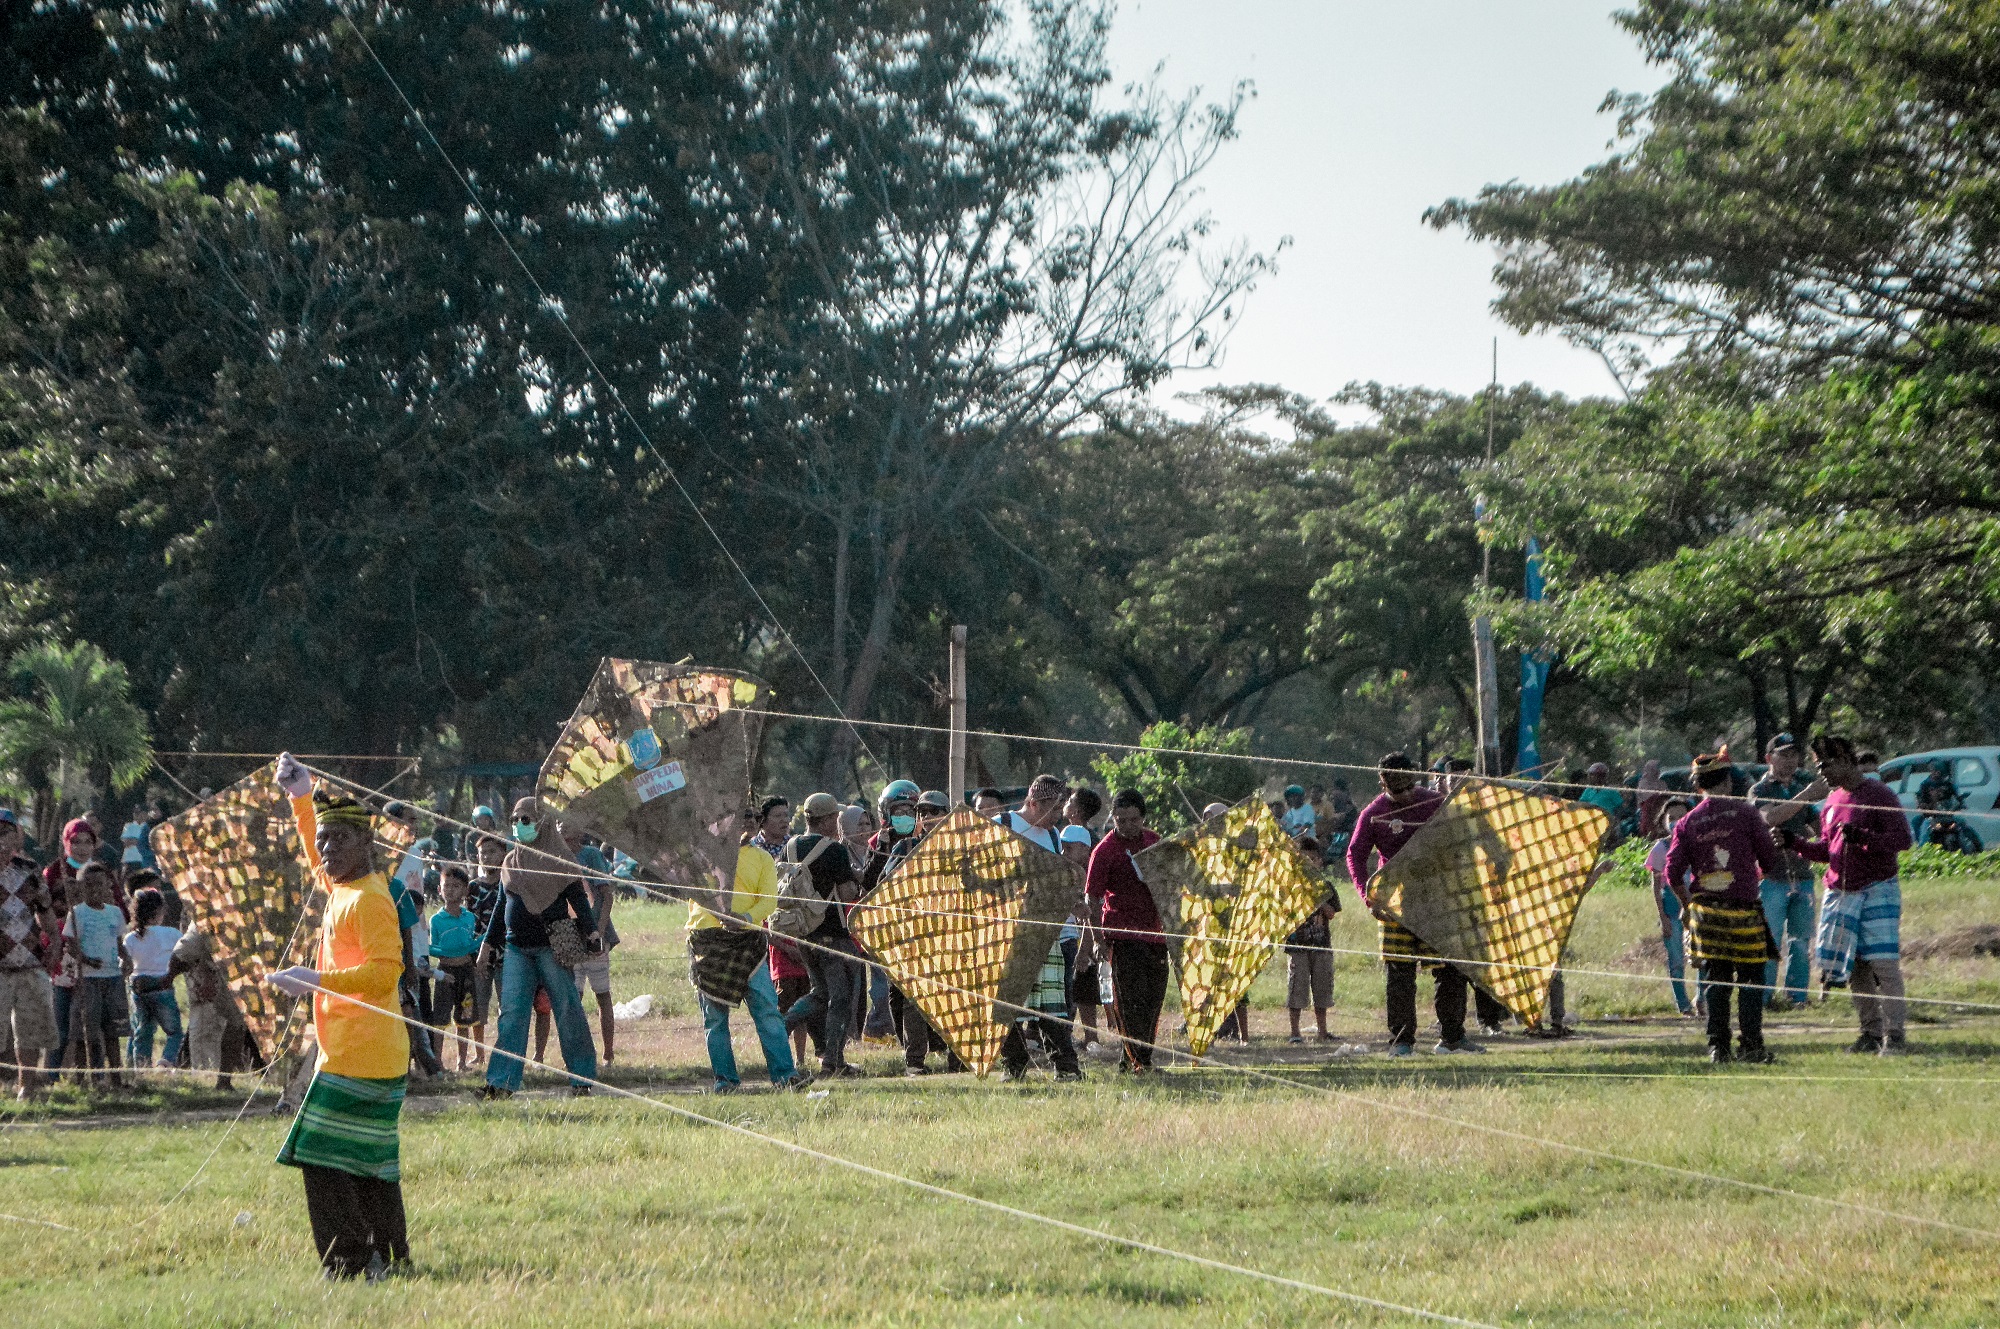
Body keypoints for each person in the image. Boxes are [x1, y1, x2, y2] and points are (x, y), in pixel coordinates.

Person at [267, 754, 413, 1281]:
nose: (326, 851)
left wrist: (316, 980)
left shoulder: (370, 899)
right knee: (367, 1162)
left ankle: (351, 1262)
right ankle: (391, 1257)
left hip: (364, 1054)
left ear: (366, 845)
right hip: (354, 1051)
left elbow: (385, 973)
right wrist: (301, 797)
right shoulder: (342, 889)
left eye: (338, 841)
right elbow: (314, 850)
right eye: (324, 841)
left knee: (320, 1157)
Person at [1347, 752, 1483, 1057]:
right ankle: (1402, 1042)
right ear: (1383, 781)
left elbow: (1462, 840)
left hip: (1438, 898)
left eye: (1409, 786)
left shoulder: (1436, 803)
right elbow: (1354, 855)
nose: (1406, 794)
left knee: (1450, 969)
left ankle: (1452, 1038)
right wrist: (1367, 895)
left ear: (1415, 777)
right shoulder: (1373, 813)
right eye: (1398, 788)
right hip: (1395, 903)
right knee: (1400, 974)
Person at [477, 797, 603, 1099]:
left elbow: (578, 898)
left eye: (526, 819)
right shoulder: (510, 862)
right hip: (516, 948)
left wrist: (592, 931)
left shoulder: (560, 859)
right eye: (515, 819)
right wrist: (487, 944)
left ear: (542, 822)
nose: (520, 826)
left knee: (567, 1008)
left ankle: (582, 1078)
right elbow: (500, 905)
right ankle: (500, 1083)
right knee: (512, 1015)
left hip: (552, 946)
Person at [1665, 748, 1783, 1064]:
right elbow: (1770, 861)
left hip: (1707, 912)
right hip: (1744, 908)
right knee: (1751, 979)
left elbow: (1672, 873)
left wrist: (1687, 904)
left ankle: (1719, 1047)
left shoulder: (1687, 822)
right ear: (1728, 780)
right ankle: (1752, 1047)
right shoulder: (1746, 814)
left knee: (1716, 980)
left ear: (1698, 786)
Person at [1801, 735, 1916, 1055]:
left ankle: (1895, 1035)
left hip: (1878, 888)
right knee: (1855, 967)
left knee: (1883, 964)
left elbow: (1903, 840)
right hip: (1842, 890)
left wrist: (1864, 837)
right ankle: (1869, 1033)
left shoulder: (1879, 794)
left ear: (1847, 761)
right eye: (1819, 766)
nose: (1822, 772)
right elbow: (1827, 850)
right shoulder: (1832, 802)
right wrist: (1794, 844)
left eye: (1828, 765)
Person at [688, 831, 810, 1095]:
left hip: (748, 940)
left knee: (767, 1010)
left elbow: (768, 900)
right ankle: (725, 1081)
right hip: (707, 940)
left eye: (752, 819)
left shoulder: (762, 858)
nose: (746, 824)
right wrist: (719, 914)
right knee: (715, 1018)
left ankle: (785, 1076)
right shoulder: (700, 855)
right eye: (741, 818)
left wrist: (744, 917)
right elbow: (694, 890)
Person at [781, 792, 866, 1078]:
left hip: (803, 932)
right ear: (829, 819)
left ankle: (784, 1024)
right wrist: (855, 878)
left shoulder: (789, 847)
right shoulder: (834, 850)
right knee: (840, 998)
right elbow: (847, 894)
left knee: (820, 992)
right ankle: (833, 1061)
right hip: (832, 932)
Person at [1086, 790, 1167, 1073]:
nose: (1127, 826)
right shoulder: (1104, 851)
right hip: (1121, 935)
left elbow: (1169, 883)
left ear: (1143, 818)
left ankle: (1137, 1058)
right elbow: (1092, 899)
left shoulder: (1154, 841)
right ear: (1113, 818)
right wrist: (1098, 939)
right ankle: (1138, 1062)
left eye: (1134, 820)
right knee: (1129, 1001)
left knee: (1153, 1000)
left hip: (1156, 935)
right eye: (1121, 820)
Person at [1750, 732, 1826, 1009]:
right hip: (1771, 878)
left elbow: (1819, 829)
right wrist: (1808, 796)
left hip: (1802, 876)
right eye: (1784, 754)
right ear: (1769, 758)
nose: (1791, 760)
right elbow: (1770, 817)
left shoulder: (1799, 789)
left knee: (1800, 941)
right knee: (1769, 941)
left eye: (1794, 755)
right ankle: (1763, 997)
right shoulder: (1759, 790)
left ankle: (1797, 997)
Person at [0, 809, 58, 1099]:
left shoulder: (29, 869)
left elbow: (45, 910)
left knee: (31, 1027)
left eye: (5, 833)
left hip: (30, 959)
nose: (1, 841)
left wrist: (56, 942)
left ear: (17, 836)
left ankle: (28, 1086)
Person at [63, 861, 131, 1088]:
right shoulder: (77, 914)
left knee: (113, 1031)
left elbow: (120, 943)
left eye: (100, 885)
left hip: (112, 977)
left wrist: (127, 959)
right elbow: (71, 945)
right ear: (81, 887)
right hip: (88, 979)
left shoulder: (115, 913)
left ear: (107, 886)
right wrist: (87, 960)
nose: (95, 889)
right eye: (89, 885)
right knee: (85, 1032)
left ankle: (116, 1079)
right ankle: (83, 1079)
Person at [171, 922, 248, 1089]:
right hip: (208, 975)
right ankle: (207, 1074)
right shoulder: (205, 915)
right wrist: (166, 979)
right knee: (204, 1027)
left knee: (233, 1024)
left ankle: (222, 1079)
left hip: (231, 971)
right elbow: (184, 950)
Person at [567, 829, 618, 1066]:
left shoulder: (591, 855)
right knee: (572, 997)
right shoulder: (553, 854)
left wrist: (597, 930)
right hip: (568, 936)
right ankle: (578, 1052)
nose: (561, 828)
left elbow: (606, 896)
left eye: (568, 824)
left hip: (595, 935)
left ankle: (608, 1052)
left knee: (602, 994)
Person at [1644, 795, 1698, 1017]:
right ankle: (1683, 1004)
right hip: (1671, 908)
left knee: (1701, 956)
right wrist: (1663, 917)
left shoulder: (1698, 845)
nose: (1676, 821)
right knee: (1676, 959)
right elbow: (1656, 886)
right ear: (1664, 822)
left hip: (1695, 907)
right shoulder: (1660, 848)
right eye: (1671, 817)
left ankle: (1702, 999)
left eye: (1681, 816)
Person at [428, 867, 482, 1072]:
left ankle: (462, 1061)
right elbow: (435, 948)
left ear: (465, 891)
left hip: (466, 972)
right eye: (446, 886)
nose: (450, 890)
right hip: (445, 973)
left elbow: (471, 944)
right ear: (439, 890)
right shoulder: (436, 920)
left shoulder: (469, 918)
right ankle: (438, 1061)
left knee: (465, 1017)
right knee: (440, 1018)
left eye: (456, 886)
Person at [124, 886, 184, 1069]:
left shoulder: (131, 938)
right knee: (174, 1032)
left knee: (143, 1031)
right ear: (160, 911)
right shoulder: (171, 934)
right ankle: (165, 1062)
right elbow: (183, 953)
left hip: (139, 986)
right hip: (162, 985)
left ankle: (140, 1066)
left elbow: (125, 963)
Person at [1284, 892, 1336, 1043]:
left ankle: (1323, 1031)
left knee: (1322, 988)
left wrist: (1318, 899)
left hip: (1321, 946)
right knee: (1297, 988)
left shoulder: (1325, 887)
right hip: (1297, 947)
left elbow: (1331, 913)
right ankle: (1295, 1033)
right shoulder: (1291, 885)